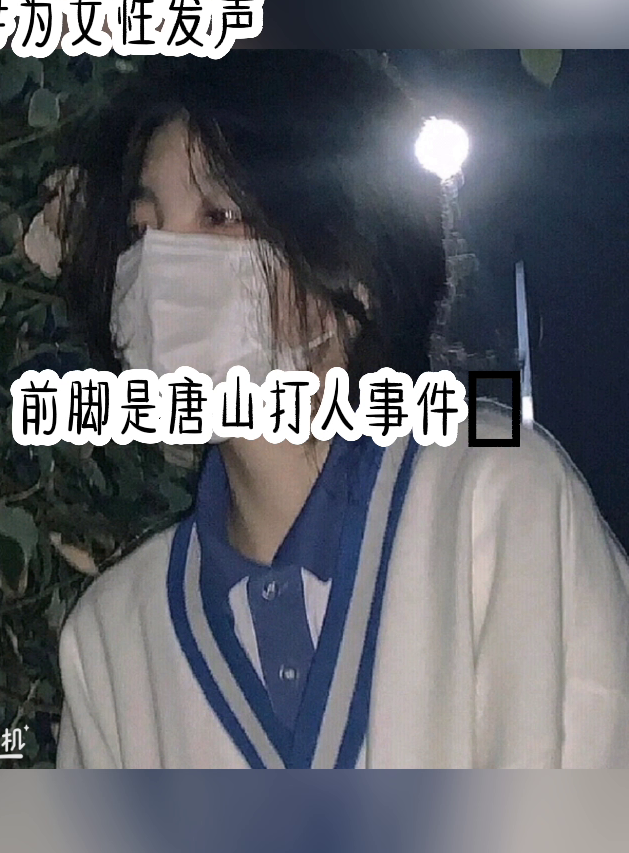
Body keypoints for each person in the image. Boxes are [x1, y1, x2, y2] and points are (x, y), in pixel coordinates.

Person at [54, 50, 629, 768]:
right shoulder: (113, 639)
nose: (164, 268)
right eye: (144, 231)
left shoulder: (490, 501)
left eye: (220, 216)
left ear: (353, 256)